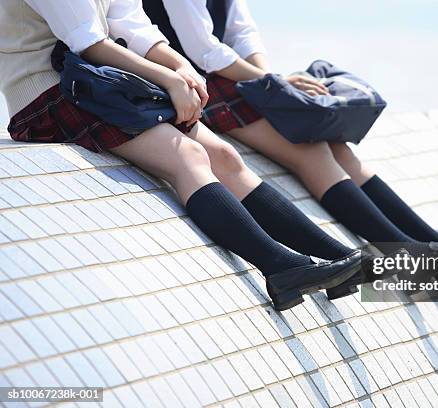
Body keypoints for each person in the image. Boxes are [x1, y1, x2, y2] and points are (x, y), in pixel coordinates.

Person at [0, 0, 370, 311]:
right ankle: (280, 268)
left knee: (224, 156)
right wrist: (171, 80)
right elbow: (88, 41)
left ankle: (336, 259)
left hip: (101, 82)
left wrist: (180, 68)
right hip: (51, 91)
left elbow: (132, 24)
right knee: (188, 156)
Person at [142, 0, 438, 256]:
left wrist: (272, 84)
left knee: (337, 146)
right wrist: (269, 84)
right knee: (312, 150)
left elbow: (243, 32)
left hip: (230, 77)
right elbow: (203, 49)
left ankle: (435, 244)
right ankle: (410, 256)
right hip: (197, 84)